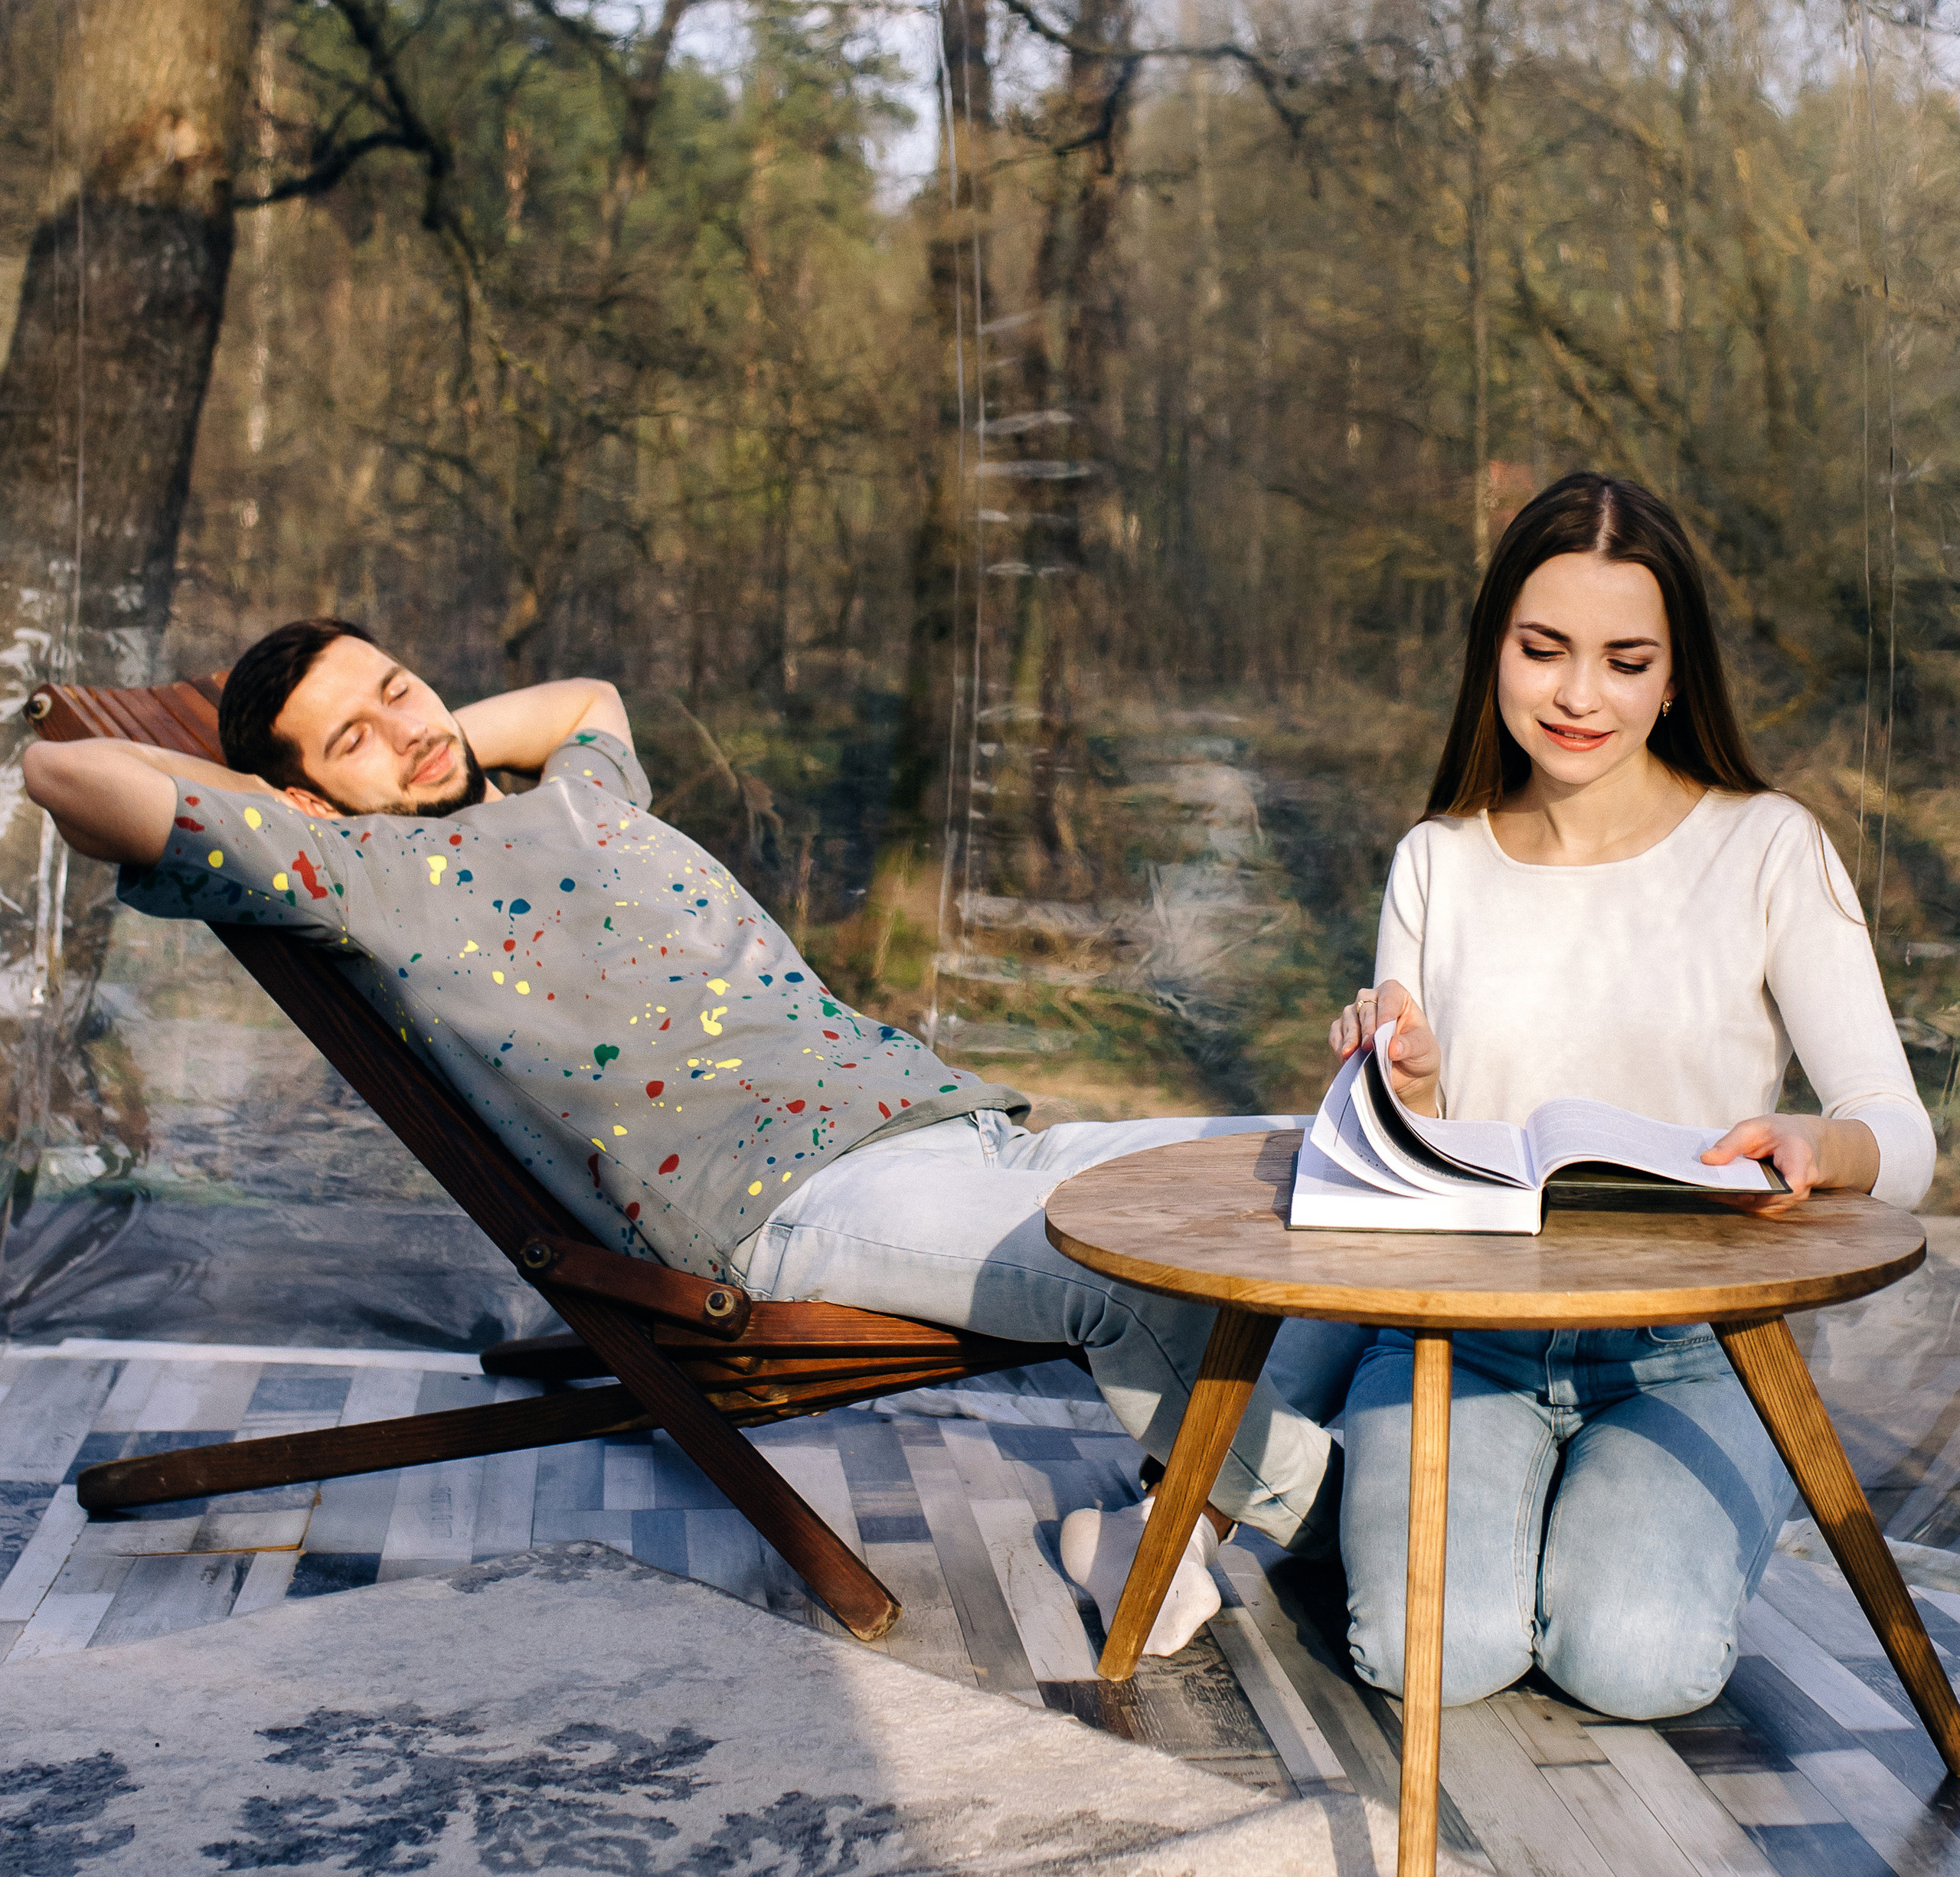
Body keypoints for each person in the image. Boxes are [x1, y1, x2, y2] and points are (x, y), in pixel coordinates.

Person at [24, 618, 1363, 1656]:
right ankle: (1345, 1522)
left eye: (397, 687)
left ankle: (1167, 1531)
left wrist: (423, 743)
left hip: (940, 1120)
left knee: (1329, 1161)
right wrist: (285, 807)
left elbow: (587, 700)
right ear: (301, 800)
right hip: (778, 1202)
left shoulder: (572, 791)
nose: (403, 726)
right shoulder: (350, 877)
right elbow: (63, 770)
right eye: (352, 739)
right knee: (1130, 1276)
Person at [1327, 471, 1935, 1721]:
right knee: (1431, 1653)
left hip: (1693, 1355)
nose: (1578, 695)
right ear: (1495, 650)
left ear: (1675, 676)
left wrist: (1826, 1142)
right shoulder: (1435, 860)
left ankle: (1533, 1524)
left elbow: (1905, 1136)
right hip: (1459, 1341)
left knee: (1633, 1662)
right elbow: (1391, 1178)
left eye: (1623, 659)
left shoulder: (1767, 847)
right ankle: (1391, 1501)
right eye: (1544, 650)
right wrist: (1404, 1089)